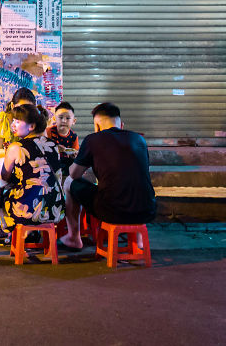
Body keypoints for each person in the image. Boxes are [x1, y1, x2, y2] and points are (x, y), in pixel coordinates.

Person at [59, 102, 157, 250]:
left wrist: (81, 158)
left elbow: (74, 174)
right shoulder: (139, 139)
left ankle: (73, 238)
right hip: (148, 210)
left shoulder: (93, 139)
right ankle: (138, 241)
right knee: (133, 182)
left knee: (69, 182)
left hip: (112, 211)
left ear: (97, 126)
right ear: (121, 125)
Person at [0, 104, 64, 236]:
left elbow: (4, 177)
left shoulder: (15, 147)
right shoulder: (54, 145)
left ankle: (0, 230)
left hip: (28, 212)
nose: (13, 124)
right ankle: (30, 234)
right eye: (13, 121)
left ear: (31, 126)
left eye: (17, 121)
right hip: (56, 209)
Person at [0, 87, 36, 153]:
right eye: (20, 108)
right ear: (12, 106)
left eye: (29, 108)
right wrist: (15, 152)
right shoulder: (3, 119)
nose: (24, 112)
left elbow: (43, 146)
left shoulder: (36, 120)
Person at [45, 101, 80, 177]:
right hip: (50, 167)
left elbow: (76, 154)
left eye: (68, 118)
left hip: (66, 169)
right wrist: (55, 148)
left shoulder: (74, 136)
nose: (64, 121)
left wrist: (74, 155)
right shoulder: (48, 132)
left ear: (74, 121)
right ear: (54, 118)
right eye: (60, 117)